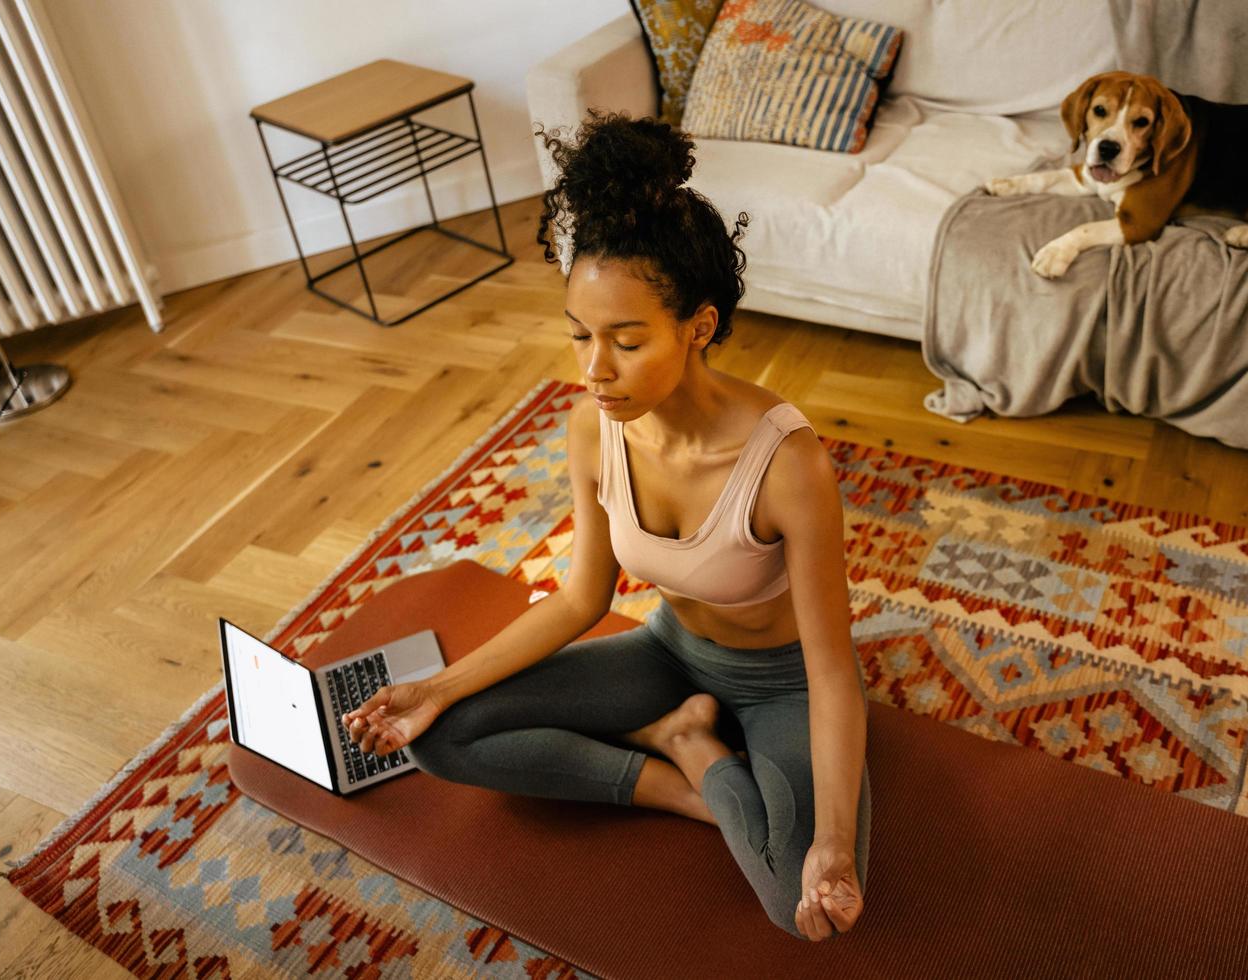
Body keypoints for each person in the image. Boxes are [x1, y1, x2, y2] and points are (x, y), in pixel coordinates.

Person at [341, 111, 870, 942]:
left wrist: (833, 845)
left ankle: (696, 747)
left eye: (625, 341)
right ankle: (678, 754)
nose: (594, 369)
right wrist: (435, 689)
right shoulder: (594, 426)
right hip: (668, 652)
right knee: (441, 738)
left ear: (698, 326)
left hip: (785, 681)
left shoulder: (787, 463)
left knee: (801, 904)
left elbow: (835, 671)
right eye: (581, 336)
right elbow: (581, 596)